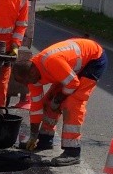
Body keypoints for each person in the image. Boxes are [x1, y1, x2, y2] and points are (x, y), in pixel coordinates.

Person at [10, 37, 107, 166]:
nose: (28, 84)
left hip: (94, 60)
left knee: (72, 104)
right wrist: (33, 135)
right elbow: (36, 107)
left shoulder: (51, 62)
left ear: (32, 71)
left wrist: (59, 98)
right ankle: (45, 138)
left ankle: (73, 151)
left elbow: (73, 84)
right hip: (70, 67)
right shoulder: (32, 76)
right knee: (48, 101)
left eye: (27, 81)